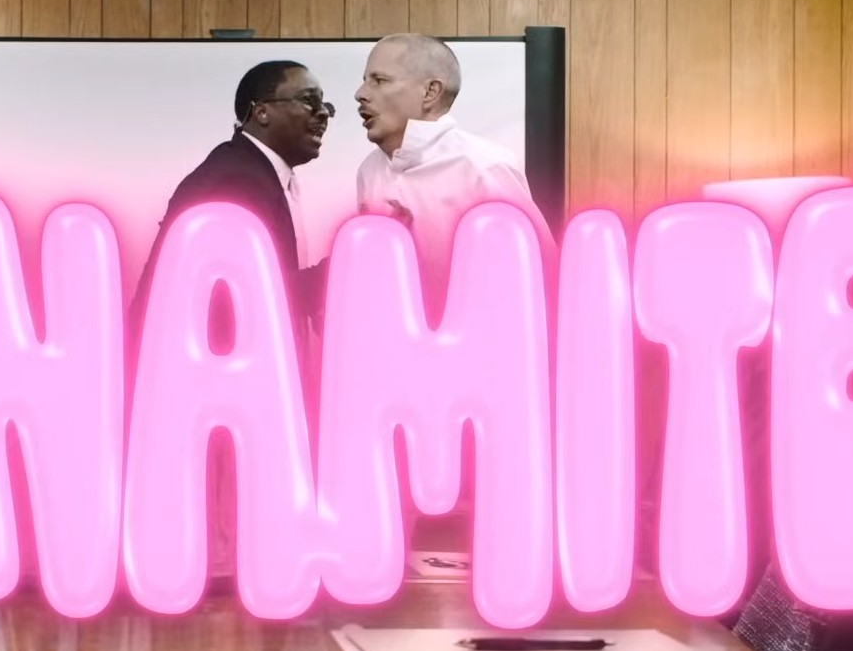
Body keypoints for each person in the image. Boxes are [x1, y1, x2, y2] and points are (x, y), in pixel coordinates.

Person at [128, 60, 334, 582]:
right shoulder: (239, 177)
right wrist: (355, 263)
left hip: (205, 381)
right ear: (260, 112)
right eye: (309, 101)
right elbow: (258, 299)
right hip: (204, 383)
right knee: (216, 548)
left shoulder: (250, 169)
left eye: (326, 106)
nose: (323, 115)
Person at [352, 33, 556, 315]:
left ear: (430, 92)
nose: (360, 94)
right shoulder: (369, 171)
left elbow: (542, 269)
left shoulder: (482, 166)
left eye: (379, 80)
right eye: (365, 80)